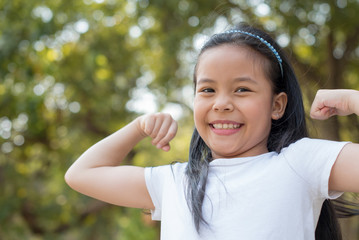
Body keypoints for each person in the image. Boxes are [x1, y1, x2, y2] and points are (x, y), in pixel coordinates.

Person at [65, 23, 359, 239]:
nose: (221, 104)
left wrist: (354, 100)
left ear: (277, 105)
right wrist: (138, 127)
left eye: (242, 89)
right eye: (207, 89)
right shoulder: (176, 182)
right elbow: (81, 174)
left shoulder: (302, 163)